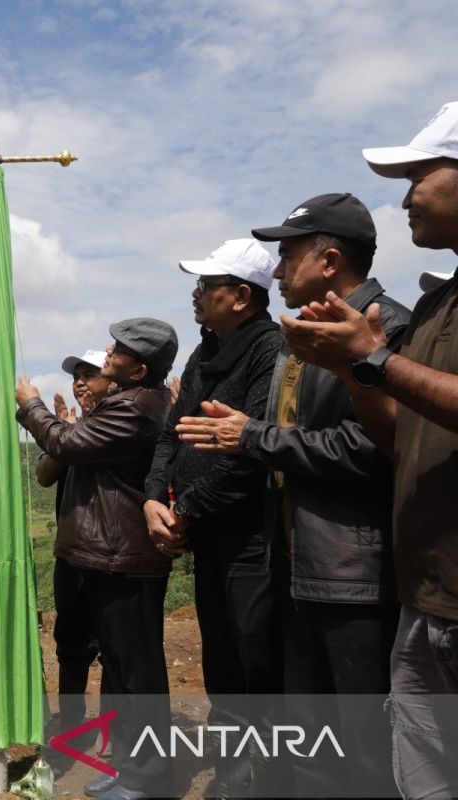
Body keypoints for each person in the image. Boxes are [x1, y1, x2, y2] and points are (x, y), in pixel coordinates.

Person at [175, 194, 408, 796]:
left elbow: (372, 450)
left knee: (366, 755)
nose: (277, 270)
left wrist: (251, 437)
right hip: (300, 567)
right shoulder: (297, 337)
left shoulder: (388, 328)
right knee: (313, 749)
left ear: (329, 261)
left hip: (356, 575)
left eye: (287, 256)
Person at [280, 101, 458, 797]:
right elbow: (395, 438)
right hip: (428, 604)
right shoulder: (439, 303)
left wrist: (373, 360)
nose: (408, 195)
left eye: (420, 174)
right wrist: (356, 366)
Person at [142, 238, 282, 796]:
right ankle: (232, 783)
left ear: (242, 296)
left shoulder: (272, 353)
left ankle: (266, 783)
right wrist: (155, 495)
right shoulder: (204, 355)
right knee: (221, 672)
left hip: (253, 545)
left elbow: (253, 454)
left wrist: (184, 511)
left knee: (257, 672)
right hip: (209, 542)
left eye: (206, 286)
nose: (194, 294)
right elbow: (171, 434)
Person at [18, 320, 178, 800]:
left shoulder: (135, 406)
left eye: (118, 350)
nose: (111, 352)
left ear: (138, 368)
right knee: (125, 674)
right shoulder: (124, 403)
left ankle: (147, 779)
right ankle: (132, 770)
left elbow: (64, 445)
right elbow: (58, 461)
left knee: (137, 675)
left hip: (124, 559)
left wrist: (31, 405)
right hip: (108, 557)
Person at [33, 349, 110, 736]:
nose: (80, 381)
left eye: (90, 373)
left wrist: (68, 435)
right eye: (76, 375)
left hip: (113, 556)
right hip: (72, 552)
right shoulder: (72, 430)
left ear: (111, 377)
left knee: (116, 648)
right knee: (71, 641)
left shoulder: (117, 421)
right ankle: (72, 721)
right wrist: (63, 437)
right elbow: (44, 474)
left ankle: (120, 729)